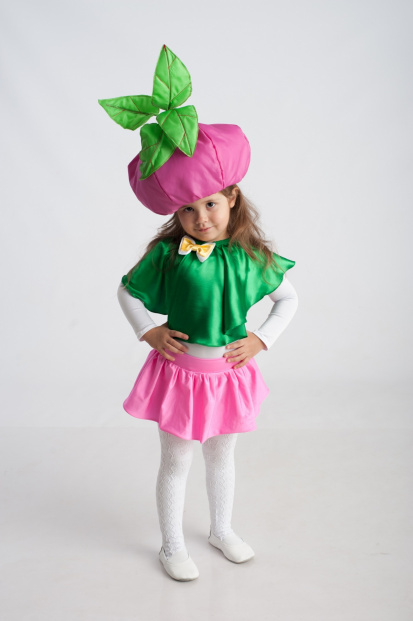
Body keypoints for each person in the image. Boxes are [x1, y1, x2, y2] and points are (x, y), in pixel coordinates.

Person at [100, 44, 298, 582]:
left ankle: (221, 529)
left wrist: (261, 339)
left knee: (222, 457)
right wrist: (148, 331)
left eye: (210, 203)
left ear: (231, 196)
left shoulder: (250, 256)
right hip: (181, 375)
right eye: (186, 209)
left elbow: (288, 298)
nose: (200, 217)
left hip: (228, 373)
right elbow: (126, 292)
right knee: (177, 460)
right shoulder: (169, 255)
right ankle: (170, 545)